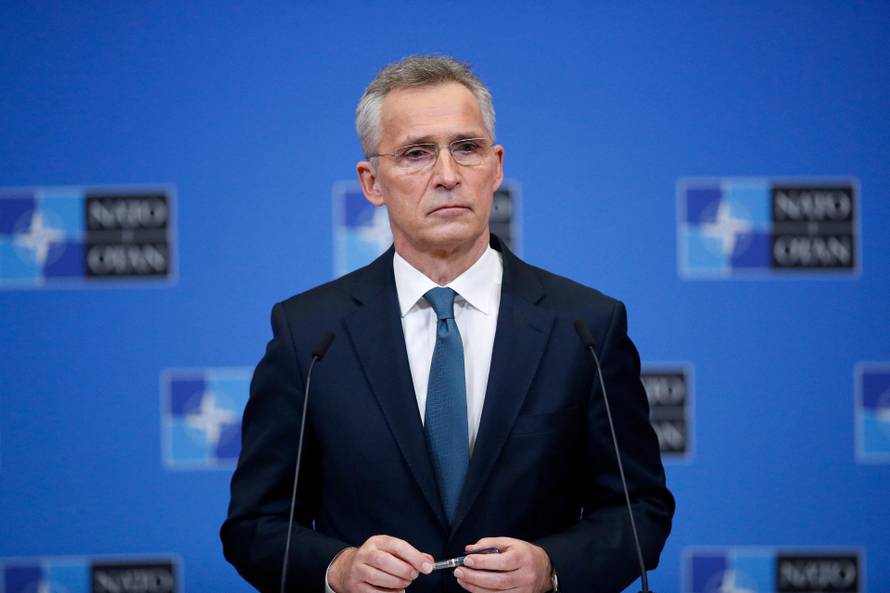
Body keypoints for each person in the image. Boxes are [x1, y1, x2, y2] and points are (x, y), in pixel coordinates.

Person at [221, 55, 674, 593]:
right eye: (416, 154)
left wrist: (553, 567)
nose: (447, 175)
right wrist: (336, 569)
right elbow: (255, 525)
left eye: (467, 148)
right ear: (372, 182)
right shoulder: (310, 333)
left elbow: (639, 510)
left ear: (497, 166)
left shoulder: (585, 325)